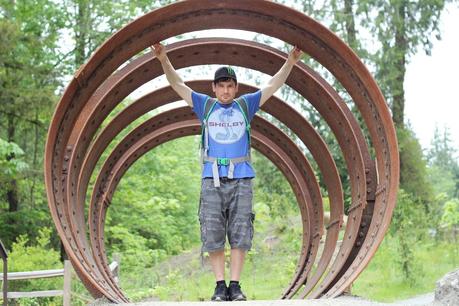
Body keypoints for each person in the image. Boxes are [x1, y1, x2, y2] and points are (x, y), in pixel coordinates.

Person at [151, 42, 302, 301]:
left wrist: (290, 62)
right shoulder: (205, 106)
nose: (225, 90)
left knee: (241, 230)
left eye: (230, 85)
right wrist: (164, 59)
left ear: (236, 88)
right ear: (214, 88)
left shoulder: (245, 106)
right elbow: (178, 85)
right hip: (212, 177)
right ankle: (220, 286)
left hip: (242, 176)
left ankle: (236, 285)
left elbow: (272, 86)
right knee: (213, 230)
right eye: (221, 85)